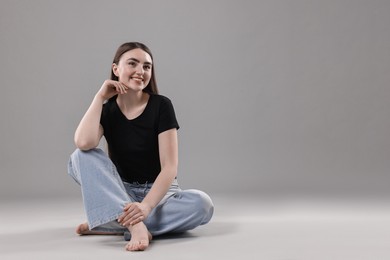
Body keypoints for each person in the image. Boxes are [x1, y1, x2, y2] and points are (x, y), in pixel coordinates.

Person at [67, 42, 214, 251]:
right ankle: (134, 225)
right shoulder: (107, 110)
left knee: (203, 204)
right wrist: (99, 97)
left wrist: (146, 206)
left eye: (146, 66)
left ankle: (113, 223)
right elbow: (83, 142)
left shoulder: (161, 105)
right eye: (132, 64)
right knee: (78, 158)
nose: (140, 71)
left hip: (161, 193)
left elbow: (170, 168)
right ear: (116, 69)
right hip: (121, 192)